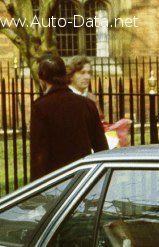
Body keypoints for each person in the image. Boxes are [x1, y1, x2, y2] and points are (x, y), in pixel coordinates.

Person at [30, 53, 109, 181]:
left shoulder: (41, 107)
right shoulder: (87, 104)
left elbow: (39, 156)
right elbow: (101, 148)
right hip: (83, 178)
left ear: (42, 78)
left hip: (55, 180)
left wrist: (35, 190)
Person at [67, 55, 104, 120]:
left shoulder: (91, 97)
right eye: (82, 73)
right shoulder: (65, 97)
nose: (87, 77)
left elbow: (100, 122)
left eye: (89, 73)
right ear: (71, 75)